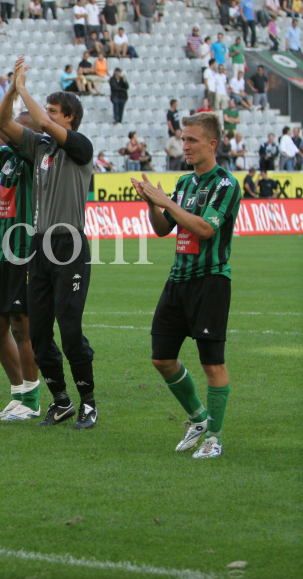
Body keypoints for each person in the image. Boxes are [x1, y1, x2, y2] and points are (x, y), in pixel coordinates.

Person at [0, 57, 98, 429]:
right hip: (39, 247)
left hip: (69, 246)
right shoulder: (39, 148)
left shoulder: (80, 147)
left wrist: (23, 88)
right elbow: (2, 124)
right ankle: (62, 401)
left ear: (68, 119)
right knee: (38, 334)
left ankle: (88, 402)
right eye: (47, 109)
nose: (45, 115)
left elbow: (39, 121)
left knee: (69, 329)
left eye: (54, 111)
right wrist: (10, 90)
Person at [131, 112, 239, 460]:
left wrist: (167, 203)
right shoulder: (184, 183)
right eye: (183, 138)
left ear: (212, 143)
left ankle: (216, 437)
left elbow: (206, 229)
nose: (184, 145)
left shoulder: (225, 184)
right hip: (178, 281)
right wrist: (153, 203)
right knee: (161, 358)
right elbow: (164, 228)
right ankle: (198, 419)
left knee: (213, 364)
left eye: (191, 140)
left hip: (210, 282)